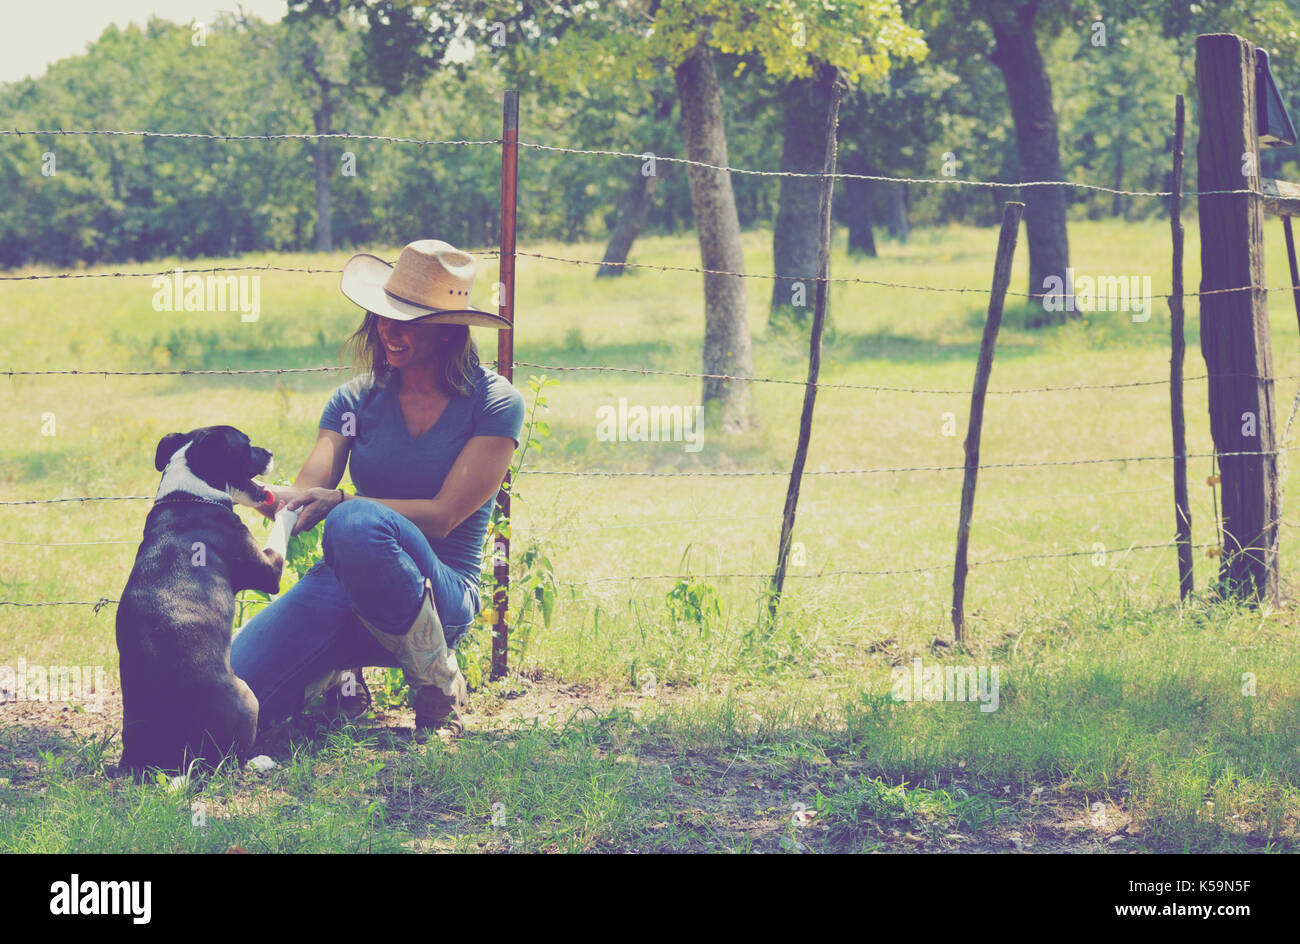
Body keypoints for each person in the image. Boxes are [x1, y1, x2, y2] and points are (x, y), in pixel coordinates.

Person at [230, 239, 523, 734]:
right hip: (344, 584)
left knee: (353, 522)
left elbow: (444, 515)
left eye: (409, 321)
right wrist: (228, 485)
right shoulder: (352, 401)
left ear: (448, 333)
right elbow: (300, 499)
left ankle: (435, 675)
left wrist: (344, 500)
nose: (389, 331)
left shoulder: (494, 404)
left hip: (440, 591)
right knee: (231, 693)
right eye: (384, 315)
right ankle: (338, 679)